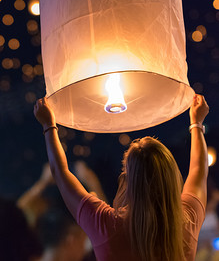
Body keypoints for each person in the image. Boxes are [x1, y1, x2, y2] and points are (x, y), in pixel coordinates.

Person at [34, 94, 209, 261]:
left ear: (126, 180)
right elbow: (199, 171)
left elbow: (60, 173)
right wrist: (197, 124)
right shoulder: (188, 220)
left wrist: (49, 125)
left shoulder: (105, 226)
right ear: (171, 176)